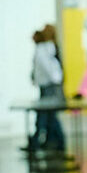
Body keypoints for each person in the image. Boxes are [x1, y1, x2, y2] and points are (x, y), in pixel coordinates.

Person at [30, 25, 66, 154]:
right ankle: (53, 142)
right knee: (49, 115)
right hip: (49, 85)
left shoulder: (44, 49)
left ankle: (55, 142)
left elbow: (49, 69)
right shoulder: (50, 48)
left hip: (49, 86)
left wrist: (55, 79)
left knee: (46, 115)